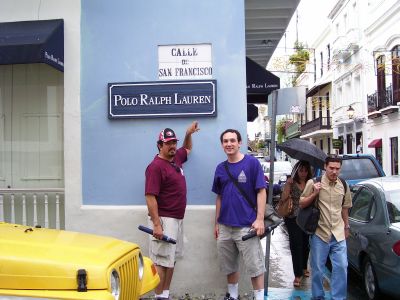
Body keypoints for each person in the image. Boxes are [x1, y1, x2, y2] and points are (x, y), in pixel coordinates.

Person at [145, 121, 200, 300]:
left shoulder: (176, 158)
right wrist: (156, 225)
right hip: (164, 220)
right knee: (161, 261)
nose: (172, 146)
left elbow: (188, 149)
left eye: (174, 142)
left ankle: (165, 295)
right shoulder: (155, 167)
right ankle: (158, 295)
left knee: (171, 259)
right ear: (159, 145)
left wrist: (188, 134)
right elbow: (150, 197)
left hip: (177, 219)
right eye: (168, 143)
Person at [212, 129, 266, 300]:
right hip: (225, 226)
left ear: (240, 143)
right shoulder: (220, 168)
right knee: (229, 266)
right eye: (225, 141)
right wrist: (216, 223)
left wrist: (259, 219)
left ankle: (258, 297)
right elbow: (219, 197)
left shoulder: (252, 164)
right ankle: (233, 296)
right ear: (222, 145)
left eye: (232, 140)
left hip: (247, 226)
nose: (229, 144)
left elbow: (261, 191)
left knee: (255, 266)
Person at [300, 155, 352, 300]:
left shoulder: (343, 184)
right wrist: (314, 193)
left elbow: (345, 208)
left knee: (341, 267)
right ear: (325, 167)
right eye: (331, 168)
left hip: (338, 233)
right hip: (320, 233)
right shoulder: (314, 183)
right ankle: (318, 296)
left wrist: (346, 227)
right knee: (317, 269)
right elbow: (302, 203)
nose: (334, 172)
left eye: (337, 169)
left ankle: (338, 297)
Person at [279, 160, 312, 287]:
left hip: (307, 218)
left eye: (305, 171)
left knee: (305, 244)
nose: (303, 173)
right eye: (301, 170)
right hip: (292, 218)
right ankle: (297, 274)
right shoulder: (291, 183)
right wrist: (287, 185)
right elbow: (283, 198)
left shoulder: (312, 183)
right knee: (295, 245)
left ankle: (304, 266)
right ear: (296, 171)